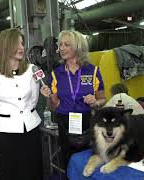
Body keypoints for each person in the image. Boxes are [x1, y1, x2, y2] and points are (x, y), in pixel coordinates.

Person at [0, 28, 43, 180]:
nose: (22, 47)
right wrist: (2, 121)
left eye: (22, 43)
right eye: (17, 44)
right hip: (6, 136)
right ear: (6, 46)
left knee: (34, 172)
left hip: (31, 131)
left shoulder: (30, 70)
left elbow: (33, 100)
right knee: (10, 173)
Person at [40, 30, 106, 171]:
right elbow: (52, 107)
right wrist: (49, 97)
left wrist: (95, 102)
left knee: (88, 163)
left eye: (66, 45)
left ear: (78, 47)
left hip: (88, 122)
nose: (61, 48)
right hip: (65, 122)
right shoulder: (56, 74)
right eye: (60, 45)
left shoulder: (93, 71)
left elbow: (103, 100)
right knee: (68, 162)